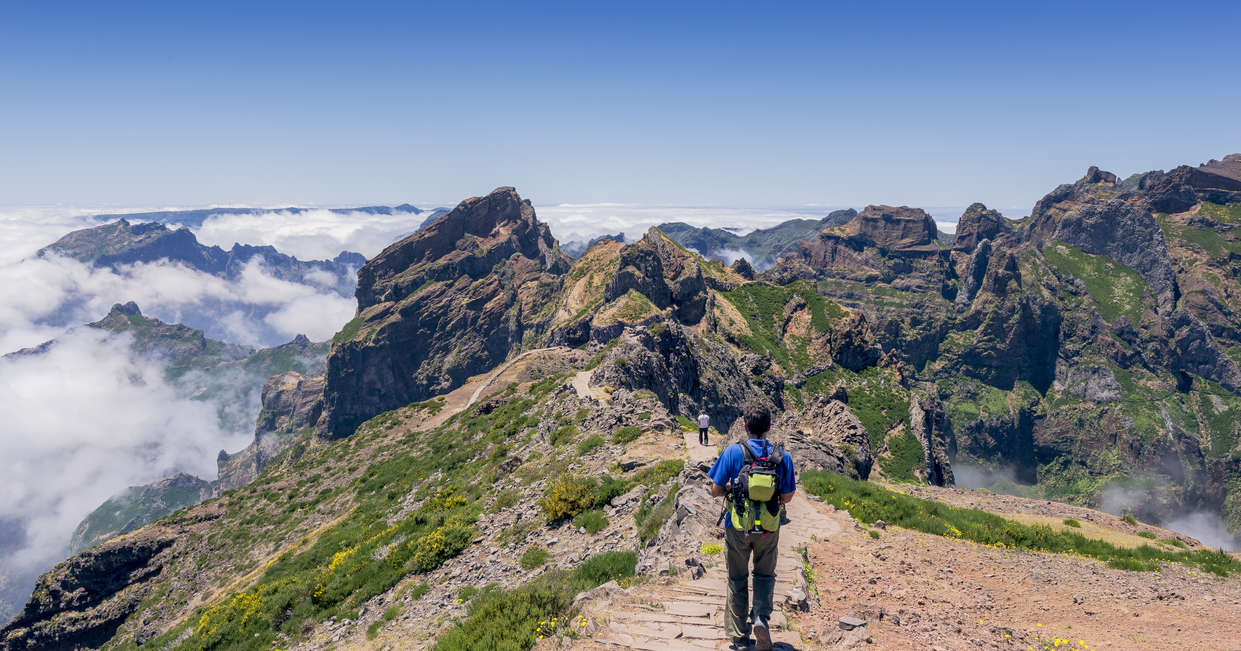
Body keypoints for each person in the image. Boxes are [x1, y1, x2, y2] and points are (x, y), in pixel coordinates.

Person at [707, 403, 795, 651]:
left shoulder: (733, 452)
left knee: (737, 578)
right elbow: (787, 496)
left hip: (738, 525)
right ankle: (760, 619)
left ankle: (739, 636)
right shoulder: (781, 456)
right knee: (765, 575)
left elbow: (714, 490)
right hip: (769, 527)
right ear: (769, 427)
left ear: (745, 426)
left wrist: (730, 488)